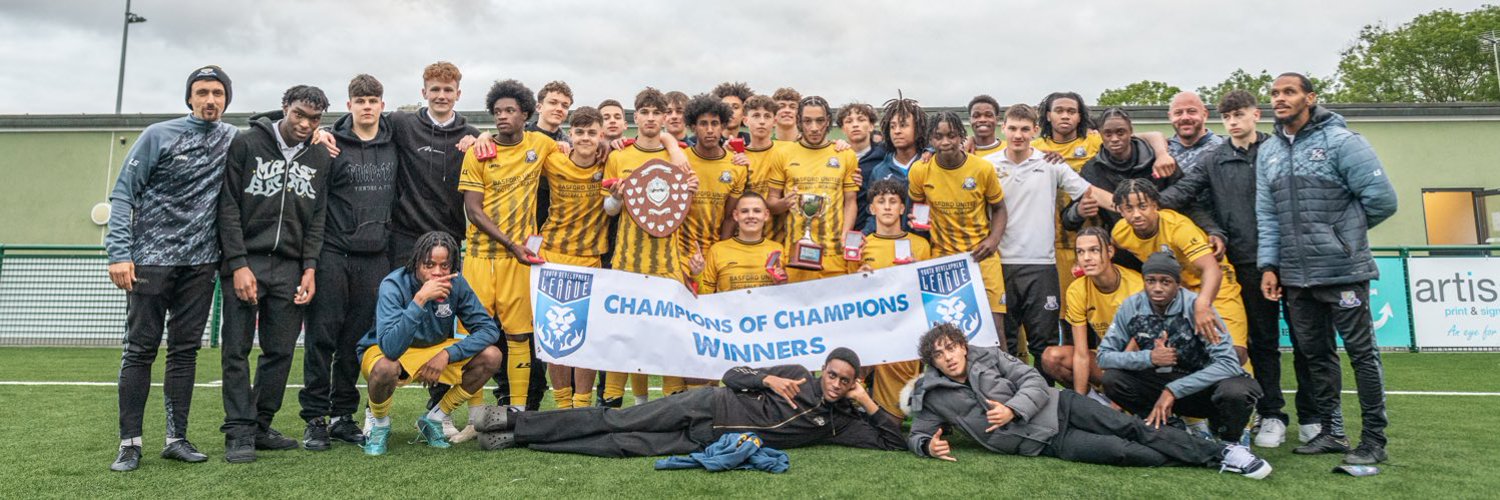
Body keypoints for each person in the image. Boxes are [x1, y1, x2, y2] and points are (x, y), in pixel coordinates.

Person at [907, 324, 1270, 479]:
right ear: (932, 361)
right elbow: (918, 431)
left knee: (1129, 426)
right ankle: (1189, 448)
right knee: (1125, 452)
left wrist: (1014, 408)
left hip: (1060, 404)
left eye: (952, 347)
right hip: (1046, 442)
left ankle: (1222, 455)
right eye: (939, 354)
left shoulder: (989, 355)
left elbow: (1032, 378)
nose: (949, 357)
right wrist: (927, 444)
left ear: (962, 346)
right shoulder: (932, 392)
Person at [1257, 72, 1397, 465]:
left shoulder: (1341, 141)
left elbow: (1382, 199)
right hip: (1296, 277)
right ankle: (1333, 433)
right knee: (1316, 356)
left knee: (1362, 355)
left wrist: (1340, 235)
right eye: (1274, 93)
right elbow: (1266, 216)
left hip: (1343, 271)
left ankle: (1374, 440)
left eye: (1289, 92)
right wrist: (1270, 265)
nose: (1279, 99)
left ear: (1310, 97)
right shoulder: (1269, 152)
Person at [106, 65, 236, 472]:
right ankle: (130, 443)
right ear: (190, 98)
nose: (210, 100)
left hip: (200, 264)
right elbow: (124, 195)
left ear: (226, 99)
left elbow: (276, 133)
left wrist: (321, 133)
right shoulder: (157, 135)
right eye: (202, 92)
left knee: (184, 352)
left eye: (217, 93)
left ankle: (176, 439)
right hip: (149, 261)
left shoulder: (234, 139)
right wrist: (118, 253)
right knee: (140, 350)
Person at [1158, 90, 1298, 448]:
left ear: (1255, 114)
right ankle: (1226, 412)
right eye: (1229, 117)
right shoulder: (1214, 158)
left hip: (1276, 260)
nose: (1234, 122)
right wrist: (1139, 206)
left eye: (1240, 115)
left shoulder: (1277, 150)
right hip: (1227, 264)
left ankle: (1276, 414)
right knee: (1228, 343)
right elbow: (1184, 196)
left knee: (1271, 342)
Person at [479, 349, 905, 457]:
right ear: (822, 370)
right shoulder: (795, 374)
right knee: (616, 418)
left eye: (845, 381)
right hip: (706, 404)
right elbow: (731, 375)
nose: (835, 384)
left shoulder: (840, 423)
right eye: (832, 375)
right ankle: (512, 421)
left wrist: (865, 401)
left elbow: (892, 440)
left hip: (709, 442)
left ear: (853, 384)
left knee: (623, 445)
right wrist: (766, 378)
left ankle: (521, 441)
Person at [217, 85, 331, 463]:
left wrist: (310, 267)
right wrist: (237, 264)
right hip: (245, 261)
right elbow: (229, 207)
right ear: (285, 108)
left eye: (313, 118)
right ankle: (238, 432)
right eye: (298, 114)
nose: (304, 123)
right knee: (236, 349)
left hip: (290, 266)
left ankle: (261, 425)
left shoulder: (319, 157)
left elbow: (317, 219)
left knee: (280, 350)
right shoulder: (247, 144)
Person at [298, 74, 396, 451]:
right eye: (360, 100)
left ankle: (342, 416)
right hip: (332, 255)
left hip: (375, 259)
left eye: (373, 99)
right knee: (322, 340)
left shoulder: (394, 140)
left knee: (356, 343)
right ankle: (315, 419)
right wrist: (316, 135)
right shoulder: (330, 144)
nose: (367, 106)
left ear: (382, 105)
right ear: (350, 104)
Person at [984, 103, 1114, 374]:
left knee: (1044, 346)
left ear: (1034, 131)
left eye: (1024, 129)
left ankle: (1047, 406)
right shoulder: (985, 165)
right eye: (1012, 128)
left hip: (1041, 266)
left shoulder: (1050, 163)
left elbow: (1088, 192)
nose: (1018, 134)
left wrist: (1129, 207)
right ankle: (1011, 405)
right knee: (1004, 344)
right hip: (998, 265)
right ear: (1003, 128)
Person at [458, 80, 560, 414]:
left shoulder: (541, 144)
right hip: (480, 259)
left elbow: (573, 152)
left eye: (509, 111)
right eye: (497, 111)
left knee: (519, 337)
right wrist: (512, 244)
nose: (502, 117)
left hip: (519, 261)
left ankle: (517, 414)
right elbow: (473, 211)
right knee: (475, 337)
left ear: (526, 114)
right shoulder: (479, 152)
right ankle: (474, 416)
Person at [358, 231, 503, 455]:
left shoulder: (457, 284)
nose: (437, 272)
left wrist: (447, 354)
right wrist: (420, 300)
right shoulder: (393, 285)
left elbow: (488, 329)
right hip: (388, 350)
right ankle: (379, 424)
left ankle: (435, 418)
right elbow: (390, 347)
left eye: (444, 266)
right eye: (429, 265)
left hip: (434, 349)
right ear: (416, 263)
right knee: (386, 367)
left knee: (492, 356)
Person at [597, 87, 697, 407]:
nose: (651, 118)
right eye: (645, 112)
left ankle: (673, 403)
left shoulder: (679, 154)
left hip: (667, 259)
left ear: (665, 118)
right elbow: (608, 209)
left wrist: (690, 190)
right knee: (624, 331)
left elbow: (683, 207)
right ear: (635, 117)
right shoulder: (619, 156)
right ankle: (619, 402)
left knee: (669, 333)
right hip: (628, 257)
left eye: (658, 112)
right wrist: (615, 197)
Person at [1097, 252, 1262, 444]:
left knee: (1237, 390)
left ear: (1178, 284)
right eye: (1150, 281)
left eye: (1165, 282)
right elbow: (1103, 357)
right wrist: (1149, 357)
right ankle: (1169, 428)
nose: (1157, 288)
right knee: (1112, 379)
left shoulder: (1199, 308)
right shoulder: (1131, 307)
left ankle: (1230, 440)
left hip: (1203, 390)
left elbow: (1229, 364)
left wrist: (1174, 390)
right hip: (1161, 384)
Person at [1110, 179, 1250, 363]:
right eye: (1129, 209)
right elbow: (1108, 250)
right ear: (1120, 210)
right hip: (1177, 292)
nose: (1136, 214)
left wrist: (1203, 304)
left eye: (1142, 206)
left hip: (1214, 285)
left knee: (1233, 352)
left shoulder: (1179, 228)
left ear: (1155, 205)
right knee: (1177, 356)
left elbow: (1212, 269)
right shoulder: (1121, 233)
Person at [907, 111, 1008, 343]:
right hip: (943, 259)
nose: (945, 142)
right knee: (945, 335)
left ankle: (1002, 379)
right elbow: (918, 207)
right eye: (938, 136)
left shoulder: (982, 169)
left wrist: (993, 240)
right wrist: (918, 221)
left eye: (951, 136)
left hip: (982, 256)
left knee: (995, 329)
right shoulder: (920, 170)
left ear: (962, 136)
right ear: (930, 140)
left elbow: (1000, 208)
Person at [537, 107, 611, 409]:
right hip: (553, 256)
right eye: (579, 132)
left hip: (591, 258)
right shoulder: (553, 160)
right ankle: (562, 406)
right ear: (570, 133)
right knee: (554, 337)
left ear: (601, 135)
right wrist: (481, 136)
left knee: (585, 337)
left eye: (592, 132)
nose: (585, 138)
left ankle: (582, 406)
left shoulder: (611, 163)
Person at [386, 62, 481, 267]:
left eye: (448, 90)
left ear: (458, 94)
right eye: (435, 89)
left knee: (443, 298)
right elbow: (364, 127)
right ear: (424, 92)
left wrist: (486, 138)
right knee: (403, 298)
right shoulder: (402, 123)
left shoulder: (472, 136)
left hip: (449, 236)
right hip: (406, 236)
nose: (441, 96)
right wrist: (326, 132)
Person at [850, 179, 931, 418]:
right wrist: (858, 279)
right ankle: (859, 389)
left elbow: (929, 294)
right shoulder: (862, 246)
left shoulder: (920, 245)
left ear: (902, 208)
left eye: (893, 202)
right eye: (881, 202)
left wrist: (917, 273)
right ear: (872, 209)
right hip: (870, 325)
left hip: (906, 328)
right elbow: (846, 295)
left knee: (895, 417)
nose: (887, 207)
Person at [1061, 108, 1179, 270]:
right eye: (1108, 134)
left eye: (1120, 132)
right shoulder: (1092, 170)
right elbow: (1068, 220)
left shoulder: (1160, 160)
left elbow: (1187, 197)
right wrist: (1079, 211)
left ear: (1131, 132)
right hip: (1124, 255)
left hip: (1167, 248)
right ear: (1100, 135)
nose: (1114, 139)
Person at [766, 95, 859, 282]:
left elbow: (850, 201)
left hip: (834, 254)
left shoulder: (845, 154)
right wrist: (784, 203)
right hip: (795, 253)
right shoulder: (782, 154)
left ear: (828, 122)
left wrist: (845, 235)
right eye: (807, 121)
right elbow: (771, 202)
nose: (814, 128)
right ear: (799, 122)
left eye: (820, 120)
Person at [1041, 227, 1143, 397]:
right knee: (1051, 357)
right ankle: (1095, 403)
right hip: (1108, 361)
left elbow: (1135, 351)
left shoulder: (1136, 287)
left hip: (1140, 365)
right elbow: (1081, 354)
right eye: (1080, 252)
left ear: (1110, 251)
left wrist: (1117, 405)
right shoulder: (1076, 290)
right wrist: (1083, 406)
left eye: (1094, 250)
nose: (1086, 258)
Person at [679, 94, 748, 279]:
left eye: (715, 123)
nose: (710, 130)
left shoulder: (736, 167)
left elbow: (729, 218)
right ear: (693, 127)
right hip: (679, 253)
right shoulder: (680, 160)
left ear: (723, 125)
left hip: (714, 253)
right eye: (703, 124)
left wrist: (721, 252)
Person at [857, 96, 926, 234]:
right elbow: (873, 214)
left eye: (903, 125)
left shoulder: (929, 164)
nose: (897, 131)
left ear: (918, 129)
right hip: (890, 247)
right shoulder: (879, 171)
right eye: (892, 126)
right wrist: (863, 236)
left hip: (926, 248)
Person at [693, 192, 786, 294]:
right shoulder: (718, 250)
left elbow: (787, 297)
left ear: (766, 215)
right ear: (736, 215)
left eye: (757, 211)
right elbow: (704, 297)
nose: (751, 216)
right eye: (745, 211)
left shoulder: (778, 250)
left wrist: (781, 285)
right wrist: (697, 274)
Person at [741, 95, 790, 242]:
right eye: (756, 115)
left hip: (780, 241)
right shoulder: (736, 156)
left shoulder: (789, 150)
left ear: (775, 122)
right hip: (745, 238)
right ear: (745, 120)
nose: (762, 121)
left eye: (767, 116)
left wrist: (839, 143)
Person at [1166, 91, 1226, 177]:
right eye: (1178, 113)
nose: (1185, 117)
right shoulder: (1164, 151)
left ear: (1205, 115)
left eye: (1191, 111)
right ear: (1170, 117)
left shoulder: (1223, 149)